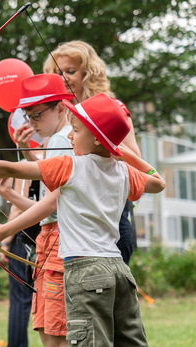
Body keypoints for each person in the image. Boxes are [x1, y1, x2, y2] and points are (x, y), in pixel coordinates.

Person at [0, 93, 165, 347]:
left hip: (85, 270)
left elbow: (11, 169)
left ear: (98, 139)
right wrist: (120, 151)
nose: (71, 137)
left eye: (76, 131)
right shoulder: (123, 171)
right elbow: (157, 182)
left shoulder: (70, 166)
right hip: (119, 271)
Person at [0, 73, 75, 347]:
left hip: (58, 243)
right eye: (28, 116)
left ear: (61, 109)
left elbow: (53, 206)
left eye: (37, 115)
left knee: (58, 332)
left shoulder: (59, 139)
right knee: (46, 328)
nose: (32, 123)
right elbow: (46, 204)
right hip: (48, 239)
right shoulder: (56, 140)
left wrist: (4, 231)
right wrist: (10, 195)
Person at [43, 40, 141, 265]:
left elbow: (134, 161)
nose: (64, 78)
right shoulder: (57, 117)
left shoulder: (112, 109)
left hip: (108, 220)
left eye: (71, 71)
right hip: (71, 226)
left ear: (89, 74)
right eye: (57, 74)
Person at [0, 179, 40, 347]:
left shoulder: (26, 167)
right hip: (46, 239)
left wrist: (5, 240)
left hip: (24, 240)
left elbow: (17, 208)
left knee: (20, 301)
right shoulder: (53, 159)